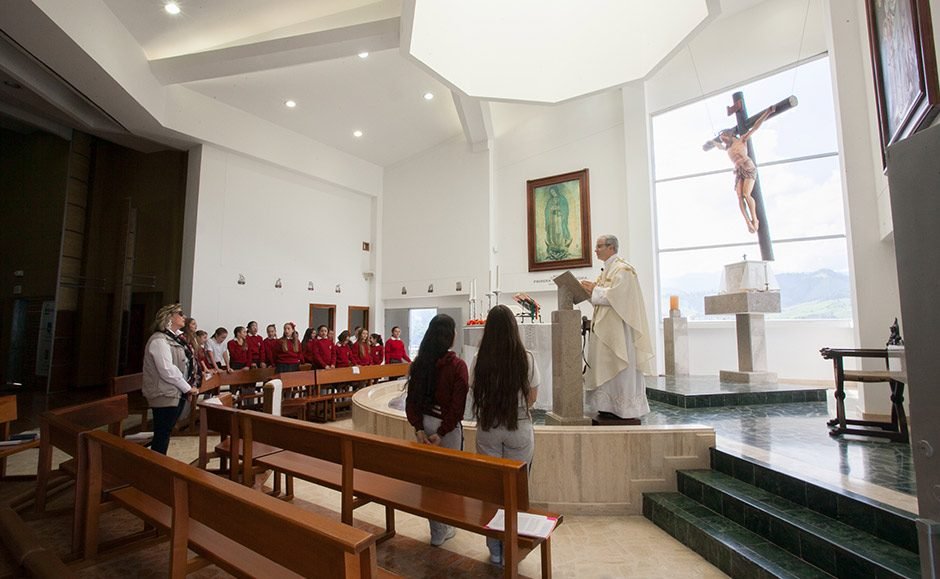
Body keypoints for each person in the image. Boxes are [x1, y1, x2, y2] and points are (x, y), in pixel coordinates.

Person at [469, 305, 539, 565]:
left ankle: (495, 549)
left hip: (488, 426)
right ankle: (512, 544)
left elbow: (474, 388)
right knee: (517, 490)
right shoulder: (526, 358)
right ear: (513, 328)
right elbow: (533, 397)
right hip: (517, 425)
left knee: (493, 489)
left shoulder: (480, 358)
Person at [405, 314, 468, 547]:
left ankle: (437, 531)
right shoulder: (457, 365)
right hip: (446, 430)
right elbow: (457, 406)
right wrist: (441, 433)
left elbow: (411, 401)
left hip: (425, 425)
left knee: (430, 479)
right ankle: (445, 526)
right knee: (448, 479)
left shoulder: (420, 363)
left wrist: (419, 429)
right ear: (450, 336)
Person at [580, 235, 654, 421]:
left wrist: (594, 290)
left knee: (619, 366)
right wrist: (589, 292)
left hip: (619, 330)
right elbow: (600, 300)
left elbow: (619, 296)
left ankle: (622, 408)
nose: (595, 250)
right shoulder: (607, 271)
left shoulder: (624, 270)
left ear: (611, 247)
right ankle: (606, 405)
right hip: (606, 329)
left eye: (599, 246)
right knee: (604, 364)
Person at [141, 303, 197, 455]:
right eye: (180, 313)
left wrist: (187, 387)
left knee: (166, 431)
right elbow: (167, 369)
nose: (183, 316)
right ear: (169, 317)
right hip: (164, 393)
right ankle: (156, 466)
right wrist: (187, 387)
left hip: (175, 391)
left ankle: (159, 463)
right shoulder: (159, 340)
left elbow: (184, 363)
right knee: (162, 432)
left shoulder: (175, 338)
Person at [709, 106, 774, 233]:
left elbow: (755, 127)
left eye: (723, 137)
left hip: (747, 165)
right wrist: (711, 143)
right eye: (721, 139)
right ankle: (748, 221)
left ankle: (755, 219)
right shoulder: (726, 148)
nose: (722, 140)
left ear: (729, 134)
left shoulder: (742, 140)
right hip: (738, 170)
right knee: (739, 196)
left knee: (746, 194)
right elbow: (717, 146)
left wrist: (767, 112)